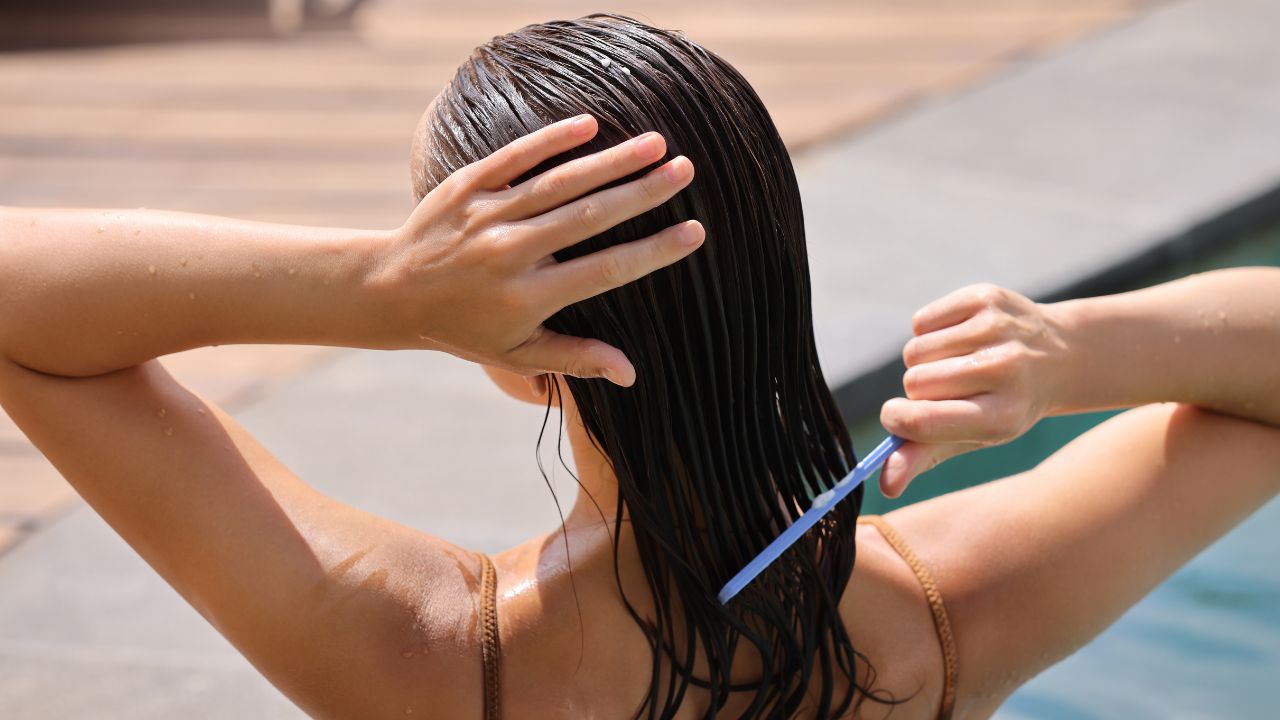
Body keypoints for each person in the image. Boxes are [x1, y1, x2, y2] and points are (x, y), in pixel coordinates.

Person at [0, 13, 1276, 720]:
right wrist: (1078, 349)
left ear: (503, 348)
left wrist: (374, 290)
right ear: (780, 256)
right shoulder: (951, 630)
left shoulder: (430, 663)